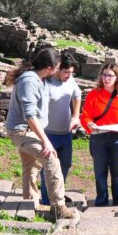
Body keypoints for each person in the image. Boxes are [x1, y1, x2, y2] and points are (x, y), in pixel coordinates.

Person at [5, 48, 76, 220]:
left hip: (28, 130)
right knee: (51, 159)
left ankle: (29, 204)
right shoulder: (29, 81)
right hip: (22, 131)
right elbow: (30, 115)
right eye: (58, 66)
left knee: (31, 165)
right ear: (49, 68)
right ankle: (58, 206)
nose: (60, 69)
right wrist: (46, 141)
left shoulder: (39, 78)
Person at [80, 62, 118, 207]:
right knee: (100, 172)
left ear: (117, 77)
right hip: (99, 137)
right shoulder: (93, 94)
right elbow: (85, 116)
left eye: (110, 75)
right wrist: (89, 124)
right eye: (104, 75)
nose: (107, 78)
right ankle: (101, 202)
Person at [39, 54, 81, 206]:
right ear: (57, 69)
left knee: (65, 164)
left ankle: (59, 195)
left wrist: (76, 115)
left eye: (71, 73)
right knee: (49, 168)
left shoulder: (70, 80)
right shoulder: (45, 82)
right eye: (66, 72)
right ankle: (46, 200)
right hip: (48, 134)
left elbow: (77, 95)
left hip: (66, 133)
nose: (69, 76)